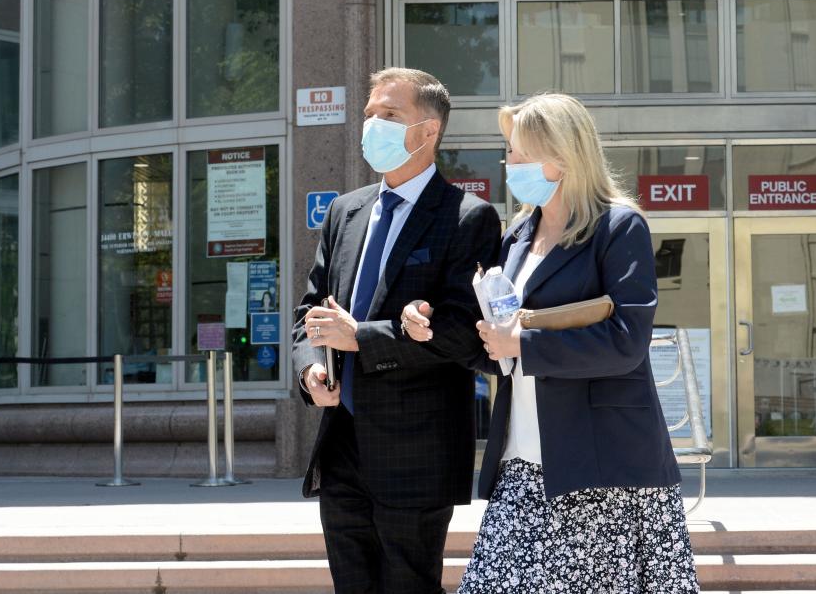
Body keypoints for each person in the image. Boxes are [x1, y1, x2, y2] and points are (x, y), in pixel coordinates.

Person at [403, 92, 700, 594]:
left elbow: (627, 341)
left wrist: (523, 343)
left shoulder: (618, 226)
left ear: (561, 158)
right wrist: (433, 328)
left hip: (602, 468)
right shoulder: (518, 233)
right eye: (510, 152)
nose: (508, 163)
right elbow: (499, 341)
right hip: (522, 460)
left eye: (519, 154)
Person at [291, 67, 501, 593]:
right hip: (342, 449)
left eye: (390, 116)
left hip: (417, 451)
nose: (372, 127)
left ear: (428, 132)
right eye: (369, 115)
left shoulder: (468, 217)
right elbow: (310, 313)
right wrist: (312, 369)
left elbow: (464, 334)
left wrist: (360, 336)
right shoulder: (345, 211)